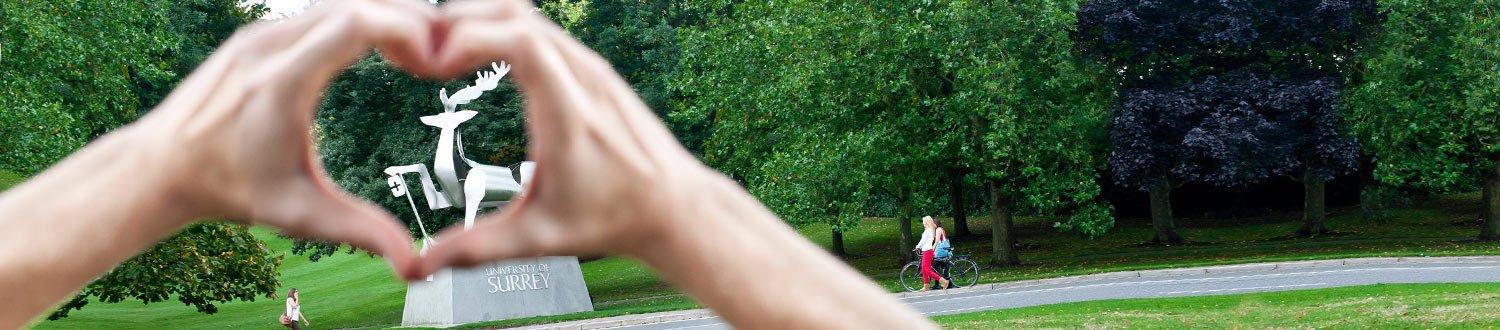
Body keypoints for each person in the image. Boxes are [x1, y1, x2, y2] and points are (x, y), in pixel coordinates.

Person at [0, 0, 935, 329]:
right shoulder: (436, 130)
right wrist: (686, 212)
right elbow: (436, 158)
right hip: (451, 186)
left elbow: (455, 157)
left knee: (462, 178)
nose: (444, 108)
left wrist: (150, 171)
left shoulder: (475, 141)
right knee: (439, 176)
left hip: (478, 186)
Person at [914, 216, 950, 291]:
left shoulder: (928, 231)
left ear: (927, 222)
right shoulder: (929, 230)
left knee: (927, 270)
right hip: (926, 251)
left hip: (927, 251)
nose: (923, 223)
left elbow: (923, 241)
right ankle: (926, 285)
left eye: (924, 222)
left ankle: (943, 281)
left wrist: (917, 246)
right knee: (924, 269)